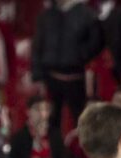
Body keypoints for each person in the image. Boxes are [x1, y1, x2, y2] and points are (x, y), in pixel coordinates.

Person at [31, 0, 103, 132]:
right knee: (50, 121)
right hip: (51, 78)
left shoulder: (88, 14)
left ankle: (79, 151)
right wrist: (37, 76)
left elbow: (97, 43)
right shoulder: (46, 15)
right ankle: (53, 150)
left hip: (76, 78)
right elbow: (37, 47)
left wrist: (80, 55)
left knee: (81, 120)